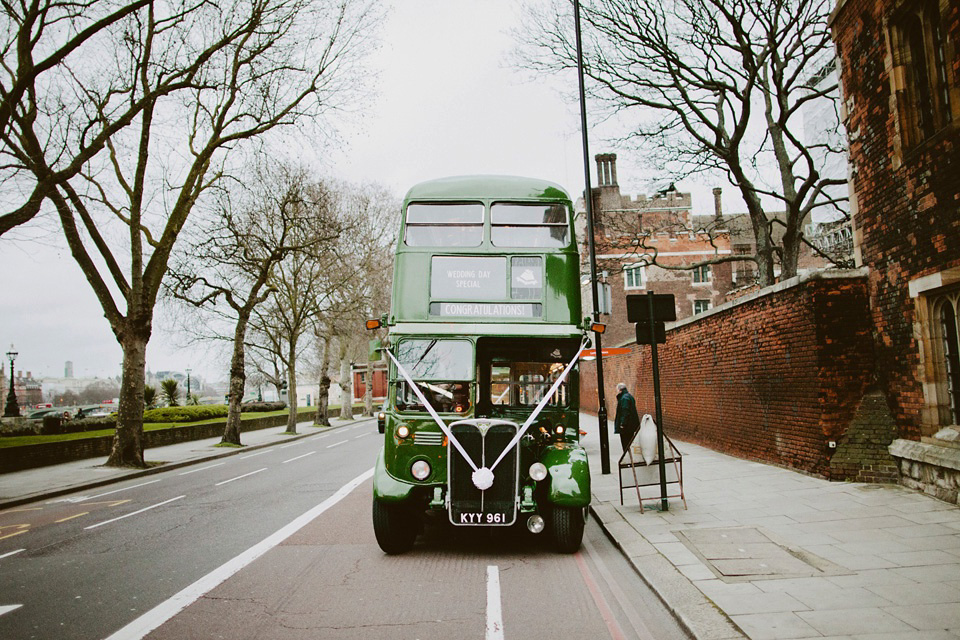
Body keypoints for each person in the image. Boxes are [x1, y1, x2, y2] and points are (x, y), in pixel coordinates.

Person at [614, 382, 640, 453]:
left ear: (619, 390)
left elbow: (625, 411)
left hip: (626, 427)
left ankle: (628, 458)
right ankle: (630, 457)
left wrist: (622, 424)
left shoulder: (624, 398)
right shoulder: (629, 396)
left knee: (626, 444)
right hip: (630, 426)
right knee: (630, 443)